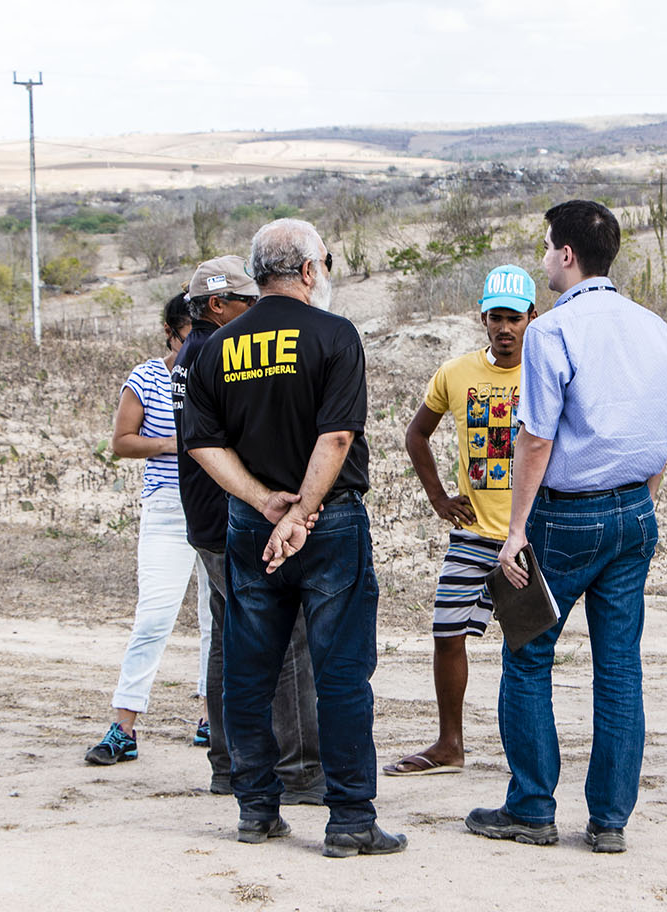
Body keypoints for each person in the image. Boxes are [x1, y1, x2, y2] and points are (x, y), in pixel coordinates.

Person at [465, 200, 667, 855]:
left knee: (527, 652)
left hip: (567, 516)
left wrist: (515, 531)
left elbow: (535, 439)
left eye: (545, 248)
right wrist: (638, 504)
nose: (542, 260)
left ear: (566, 255)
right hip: (634, 512)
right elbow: (665, 424)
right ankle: (610, 820)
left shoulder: (551, 332)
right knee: (618, 669)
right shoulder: (653, 327)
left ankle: (532, 808)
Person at [182, 219, 405, 857]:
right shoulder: (335, 336)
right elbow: (336, 436)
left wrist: (261, 502)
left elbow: (200, 443)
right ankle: (351, 821)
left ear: (259, 275)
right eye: (325, 263)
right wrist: (302, 514)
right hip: (328, 523)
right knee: (340, 675)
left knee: (250, 673)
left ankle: (256, 811)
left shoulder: (220, 345)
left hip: (252, 527)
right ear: (309, 271)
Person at [172, 255, 325, 803]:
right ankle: (299, 769)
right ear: (217, 304)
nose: (253, 311)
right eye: (244, 302)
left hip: (207, 516)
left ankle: (228, 763)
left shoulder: (189, 355)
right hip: (238, 514)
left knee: (226, 640)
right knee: (286, 638)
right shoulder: (217, 350)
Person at [383, 265, 538, 777]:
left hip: (528, 538)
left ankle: (531, 758)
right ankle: (450, 744)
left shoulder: (546, 371)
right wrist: (438, 498)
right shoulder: (455, 373)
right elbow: (416, 435)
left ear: (532, 318)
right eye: (496, 317)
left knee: (530, 647)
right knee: (447, 634)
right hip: (473, 535)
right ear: (483, 319)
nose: (504, 328)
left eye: (514, 318)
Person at [84, 294, 204, 765]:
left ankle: (209, 719)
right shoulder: (147, 376)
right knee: (154, 616)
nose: (198, 341)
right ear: (172, 331)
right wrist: (173, 443)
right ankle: (123, 725)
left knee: (218, 620)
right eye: (190, 332)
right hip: (169, 507)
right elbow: (121, 441)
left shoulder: (218, 369)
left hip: (217, 504)